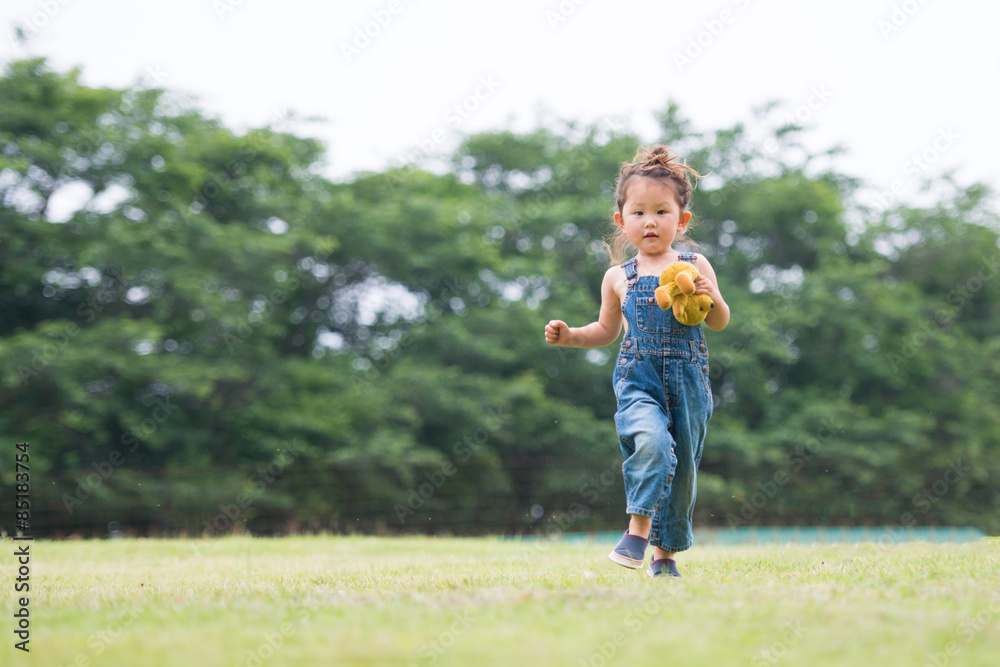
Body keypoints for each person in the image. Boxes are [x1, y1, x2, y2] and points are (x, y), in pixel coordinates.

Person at [544, 144, 730, 578]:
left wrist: (709, 294)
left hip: (688, 381)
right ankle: (637, 531)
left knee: (682, 470)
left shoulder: (695, 263)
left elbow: (720, 321)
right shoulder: (617, 277)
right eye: (639, 212)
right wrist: (571, 336)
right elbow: (606, 331)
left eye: (662, 212)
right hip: (638, 381)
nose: (650, 221)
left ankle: (664, 557)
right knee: (651, 444)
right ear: (621, 220)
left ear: (680, 221)